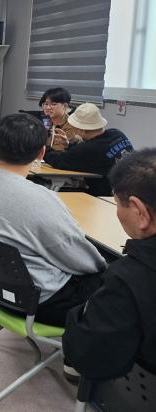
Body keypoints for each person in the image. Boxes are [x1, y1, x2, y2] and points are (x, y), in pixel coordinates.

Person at [0, 113, 107, 327]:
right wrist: (104, 266)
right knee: (119, 277)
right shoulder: (41, 200)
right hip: (39, 302)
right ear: (41, 153)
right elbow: (82, 260)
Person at [63, 148, 156, 380]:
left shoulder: (127, 280)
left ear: (140, 212)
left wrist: (82, 312)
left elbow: (87, 357)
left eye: (117, 204)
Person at [44, 103, 134, 196]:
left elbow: (58, 161)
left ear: (81, 130)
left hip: (107, 197)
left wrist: (42, 147)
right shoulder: (117, 133)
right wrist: (68, 145)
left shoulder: (89, 148)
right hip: (133, 189)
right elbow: (83, 155)